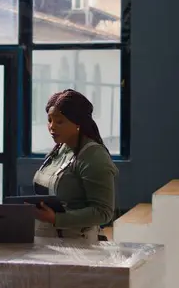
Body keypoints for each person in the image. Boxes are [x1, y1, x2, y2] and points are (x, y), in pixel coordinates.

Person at [32, 89, 117, 242]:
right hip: (46, 241)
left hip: (78, 244)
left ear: (78, 123)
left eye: (59, 121)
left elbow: (103, 212)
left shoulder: (94, 156)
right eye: (49, 120)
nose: (52, 127)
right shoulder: (58, 150)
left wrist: (57, 218)